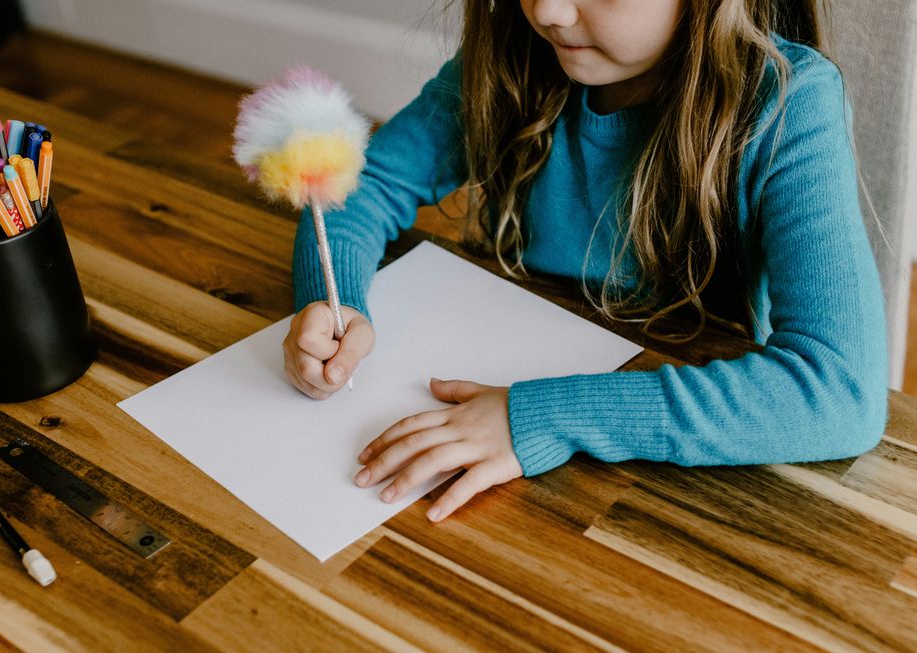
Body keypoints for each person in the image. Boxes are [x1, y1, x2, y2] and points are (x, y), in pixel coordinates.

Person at [283, 0, 887, 522]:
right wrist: (332, 301)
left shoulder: (789, 102)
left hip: (669, 481)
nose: (546, 10)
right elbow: (360, 187)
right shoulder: (511, 56)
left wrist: (541, 417)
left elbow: (839, 392)